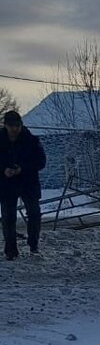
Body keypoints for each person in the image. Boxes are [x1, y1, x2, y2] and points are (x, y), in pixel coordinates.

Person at [0, 110, 46, 260]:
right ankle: (10, 250)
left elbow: (40, 161)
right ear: (5, 126)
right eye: (11, 126)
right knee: (8, 217)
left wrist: (22, 169)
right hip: (7, 183)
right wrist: (4, 169)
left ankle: (33, 244)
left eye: (17, 126)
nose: (15, 129)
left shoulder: (31, 140)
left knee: (34, 213)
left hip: (28, 182)